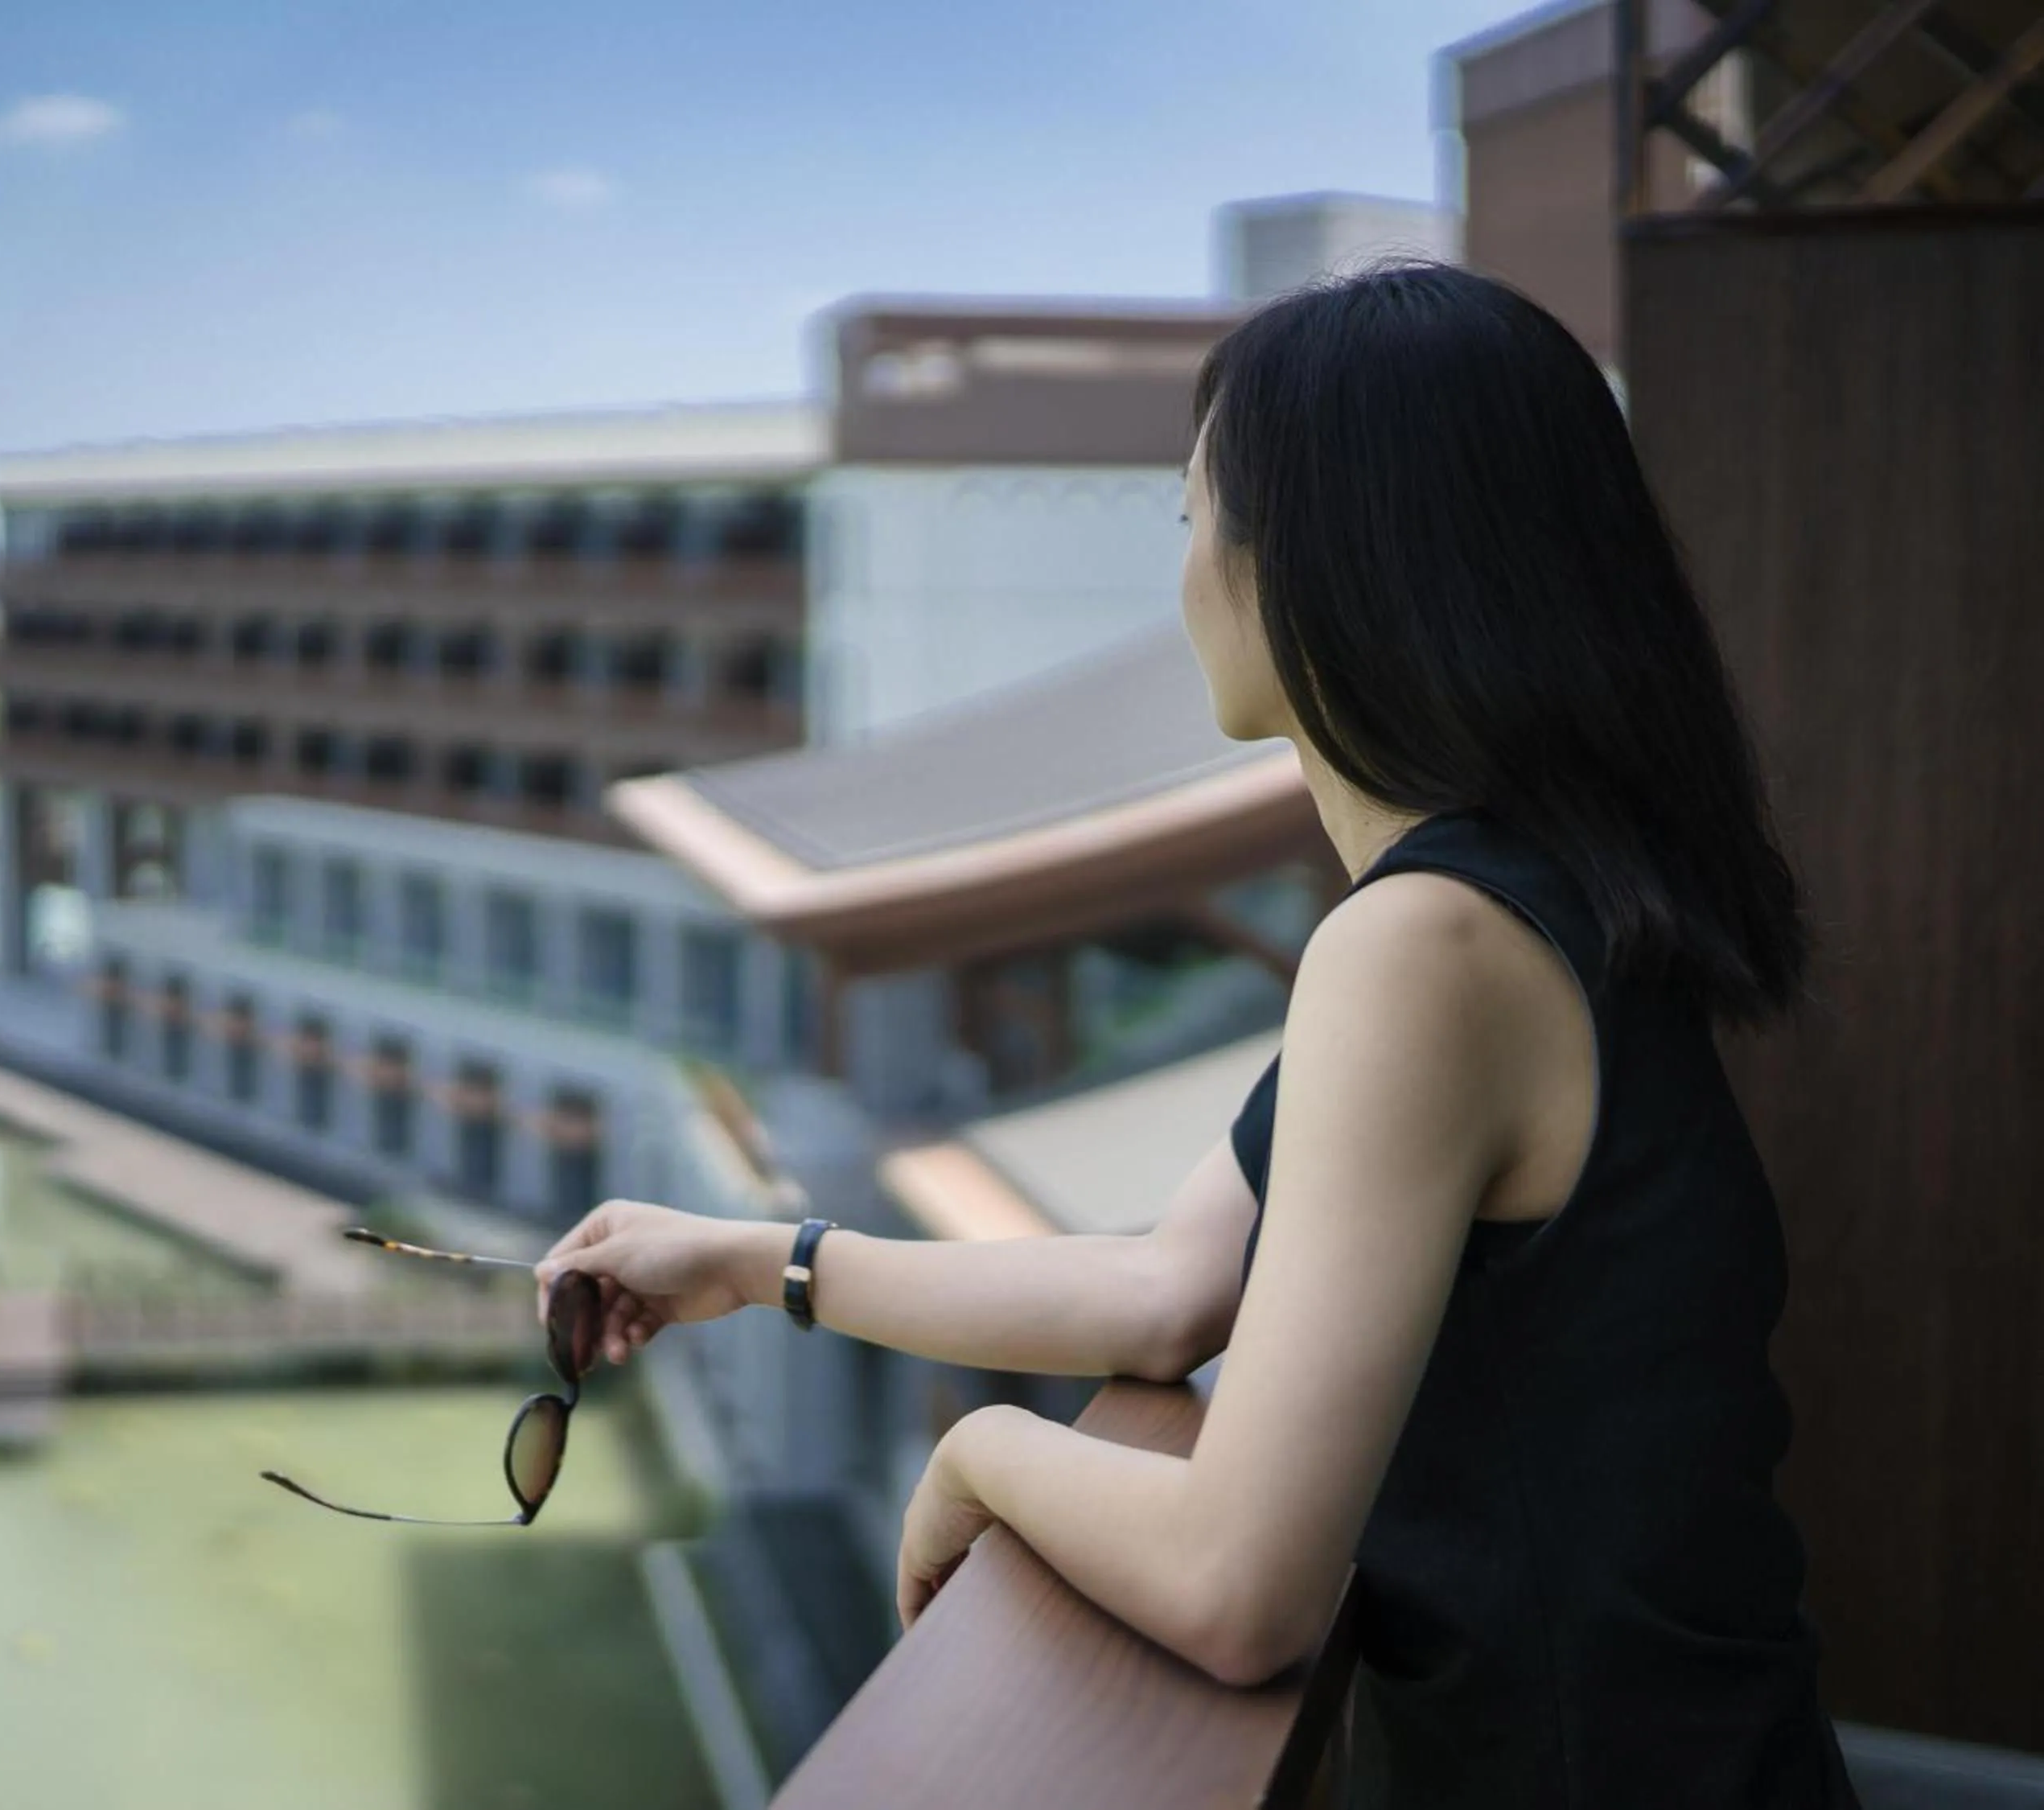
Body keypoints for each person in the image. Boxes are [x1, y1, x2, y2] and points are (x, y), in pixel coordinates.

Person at [535, 261, 1862, 1809]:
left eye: (1193, 518)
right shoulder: (1532, 898)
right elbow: (1168, 1289)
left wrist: (978, 1461)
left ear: (1315, 560)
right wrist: (762, 1262)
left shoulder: (1425, 948)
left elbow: (1239, 1584)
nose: (1183, 573)